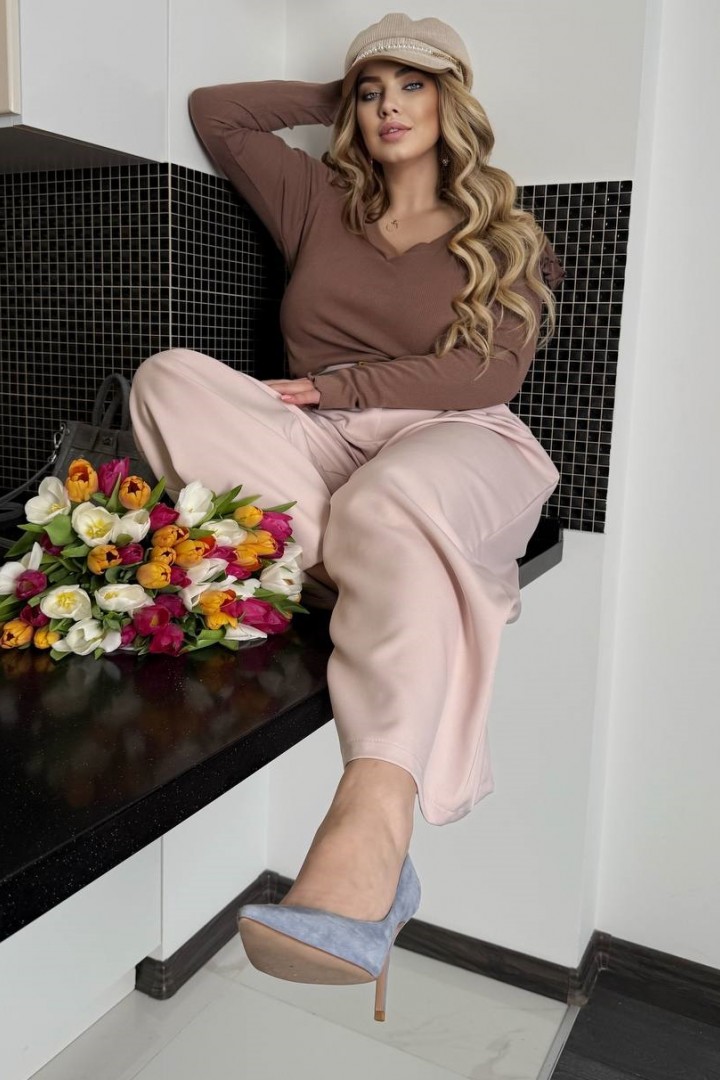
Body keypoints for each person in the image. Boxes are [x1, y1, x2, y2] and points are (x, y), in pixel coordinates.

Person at [129, 12, 565, 1022]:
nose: (388, 108)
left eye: (413, 87)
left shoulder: (505, 233)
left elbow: (488, 373)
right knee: (168, 378)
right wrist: (344, 92)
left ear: (454, 103)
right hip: (322, 441)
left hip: (457, 439)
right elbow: (217, 115)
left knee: (389, 497)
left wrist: (342, 387)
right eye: (374, 93)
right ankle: (382, 569)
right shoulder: (318, 198)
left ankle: (375, 817)